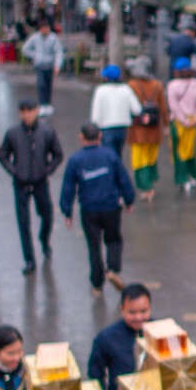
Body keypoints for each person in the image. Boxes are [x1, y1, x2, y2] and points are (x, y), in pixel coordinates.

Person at [61, 122, 135, 294]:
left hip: (89, 210)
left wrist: (67, 211)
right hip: (111, 207)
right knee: (114, 239)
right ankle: (113, 269)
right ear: (100, 136)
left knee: (94, 246)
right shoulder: (110, 155)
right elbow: (123, 179)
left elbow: (68, 187)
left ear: (81, 137)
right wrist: (129, 200)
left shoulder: (75, 160)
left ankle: (97, 285)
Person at [0, 98, 64, 274]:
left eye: (30, 111)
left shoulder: (47, 132)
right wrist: (14, 171)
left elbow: (58, 154)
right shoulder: (13, 133)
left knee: (47, 215)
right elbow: (3, 155)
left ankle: (44, 239)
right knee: (23, 222)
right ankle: (29, 259)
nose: (27, 115)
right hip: (21, 183)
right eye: (23, 111)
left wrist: (47, 170)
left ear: (36, 111)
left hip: (40, 182)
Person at [125, 57, 165, 199]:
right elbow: (163, 108)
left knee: (138, 158)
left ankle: (145, 186)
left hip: (137, 130)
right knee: (150, 157)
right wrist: (166, 125)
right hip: (155, 129)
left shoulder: (132, 85)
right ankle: (151, 183)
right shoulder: (158, 85)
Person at [166, 57, 196, 194]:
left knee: (178, 152)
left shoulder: (172, 85)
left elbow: (173, 106)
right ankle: (193, 176)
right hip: (193, 121)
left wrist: (183, 120)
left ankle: (181, 179)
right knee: (190, 150)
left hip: (178, 122)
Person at [90, 63, 140, 159]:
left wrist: (95, 128)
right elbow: (137, 109)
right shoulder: (126, 89)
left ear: (106, 78)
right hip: (122, 127)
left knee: (108, 155)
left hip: (105, 128)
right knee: (118, 154)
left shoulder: (100, 90)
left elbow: (96, 114)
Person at [22, 20, 63, 113]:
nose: (45, 30)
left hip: (49, 65)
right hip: (39, 65)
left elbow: (58, 51)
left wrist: (58, 65)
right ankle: (42, 104)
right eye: (43, 28)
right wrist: (35, 55)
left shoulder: (53, 38)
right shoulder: (35, 38)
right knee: (41, 85)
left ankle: (48, 104)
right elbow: (25, 49)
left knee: (48, 85)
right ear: (40, 29)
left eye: (47, 28)